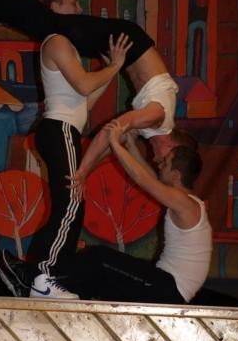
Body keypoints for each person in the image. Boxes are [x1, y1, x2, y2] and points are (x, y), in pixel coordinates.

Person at [0, 0, 180, 186]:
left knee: (48, 27)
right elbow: (111, 131)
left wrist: (82, 173)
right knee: (51, 24)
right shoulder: (157, 116)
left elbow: (111, 145)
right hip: (129, 41)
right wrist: (83, 171)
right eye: (163, 162)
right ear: (172, 147)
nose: (157, 162)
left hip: (129, 47)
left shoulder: (150, 127)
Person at [0, 0, 132, 299]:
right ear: (55, 7)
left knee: (69, 204)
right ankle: (42, 276)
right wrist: (114, 65)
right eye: (73, 2)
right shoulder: (57, 41)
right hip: (59, 130)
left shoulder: (63, 44)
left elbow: (84, 101)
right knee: (71, 204)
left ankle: (36, 276)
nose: (79, 9)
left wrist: (111, 70)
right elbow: (84, 85)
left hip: (63, 129)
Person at [70, 121, 212, 303]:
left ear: (176, 175)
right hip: (167, 287)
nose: (159, 164)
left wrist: (114, 142)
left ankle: (54, 283)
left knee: (99, 258)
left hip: (169, 288)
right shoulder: (186, 200)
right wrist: (130, 145)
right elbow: (151, 178)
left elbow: (143, 179)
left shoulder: (184, 203)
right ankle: (64, 294)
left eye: (165, 164)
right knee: (102, 283)